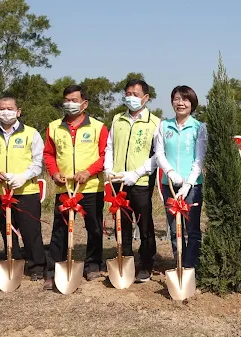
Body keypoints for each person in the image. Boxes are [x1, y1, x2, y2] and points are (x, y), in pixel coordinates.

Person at [42, 85, 109, 290]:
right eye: (66, 100)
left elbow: (105, 155)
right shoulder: (54, 127)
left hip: (90, 187)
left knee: (94, 228)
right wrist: (54, 173)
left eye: (74, 100)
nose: (69, 104)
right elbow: (48, 154)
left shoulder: (98, 127)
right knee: (59, 230)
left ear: (84, 103)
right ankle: (53, 270)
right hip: (65, 187)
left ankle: (93, 266)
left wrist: (88, 172)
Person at [0, 97, 46, 280]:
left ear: (18, 111)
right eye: (1, 108)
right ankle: (14, 261)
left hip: (26, 192)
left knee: (30, 231)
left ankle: (37, 266)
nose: (5, 111)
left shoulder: (31, 134)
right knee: (7, 230)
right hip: (0, 192)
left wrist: (24, 176)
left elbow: (38, 162)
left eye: (9, 108)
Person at [104, 79, 160, 283]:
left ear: (146, 98)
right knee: (122, 223)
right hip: (117, 181)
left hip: (141, 182)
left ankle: (146, 263)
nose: (131, 98)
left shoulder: (155, 123)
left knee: (144, 224)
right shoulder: (117, 119)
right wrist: (108, 168)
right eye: (128, 93)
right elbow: (110, 146)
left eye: (135, 94)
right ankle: (125, 259)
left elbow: (157, 155)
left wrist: (136, 173)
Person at [154, 85, 207, 270]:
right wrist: (170, 172)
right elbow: (159, 154)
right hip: (168, 185)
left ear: (192, 103)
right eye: (177, 99)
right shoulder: (163, 125)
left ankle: (190, 266)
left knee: (192, 228)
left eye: (185, 99)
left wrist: (187, 185)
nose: (181, 103)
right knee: (174, 228)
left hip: (192, 187)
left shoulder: (199, 127)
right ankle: (178, 262)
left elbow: (199, 159)